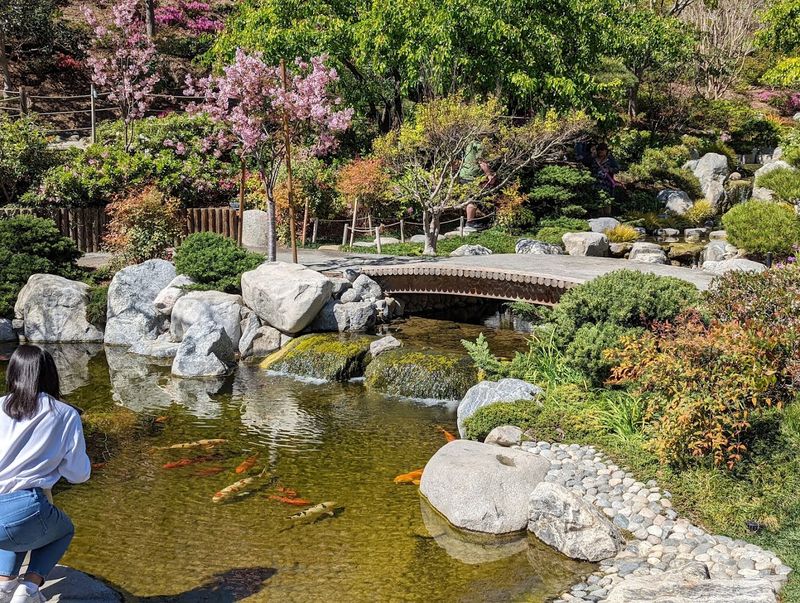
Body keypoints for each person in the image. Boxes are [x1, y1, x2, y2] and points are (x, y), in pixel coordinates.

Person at [0, 346, 90, 603]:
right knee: (61, 530)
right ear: (51, 374)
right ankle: (28, 588)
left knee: (13, 529)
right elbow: (78, 474)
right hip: (26, 506)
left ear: (12, 373)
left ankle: (4, 584)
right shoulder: (65, 414)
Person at [458, 140, 497, 229]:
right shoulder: (479, 145)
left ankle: (470, 220)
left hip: (464, 174)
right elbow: (482, 162)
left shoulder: (468, 142)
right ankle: (470, 222)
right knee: (473, 199)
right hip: (471, 176)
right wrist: (489, 175)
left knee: (471, 198)